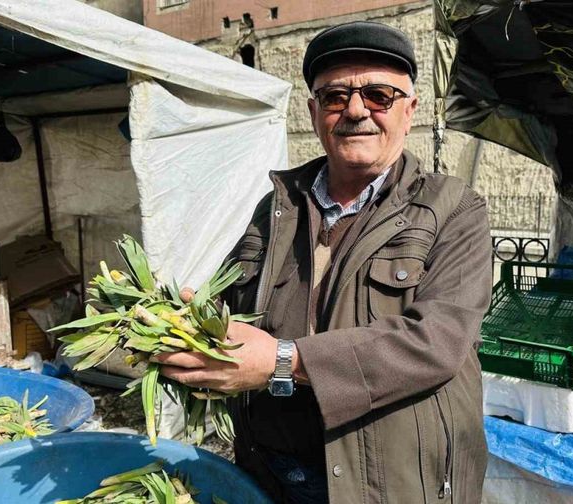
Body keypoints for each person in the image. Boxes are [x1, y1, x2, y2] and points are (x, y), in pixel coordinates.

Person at [153, 21, 492, 504]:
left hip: (388, 483)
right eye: (335, 97)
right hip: (273, 471)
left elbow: (436, 343)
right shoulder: (277, 207)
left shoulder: (453, 209)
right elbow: (232, 307)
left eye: (379, 95)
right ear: (315, 112)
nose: (356, 111)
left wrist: (281, 361)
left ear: (410, 109)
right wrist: (182, 324)